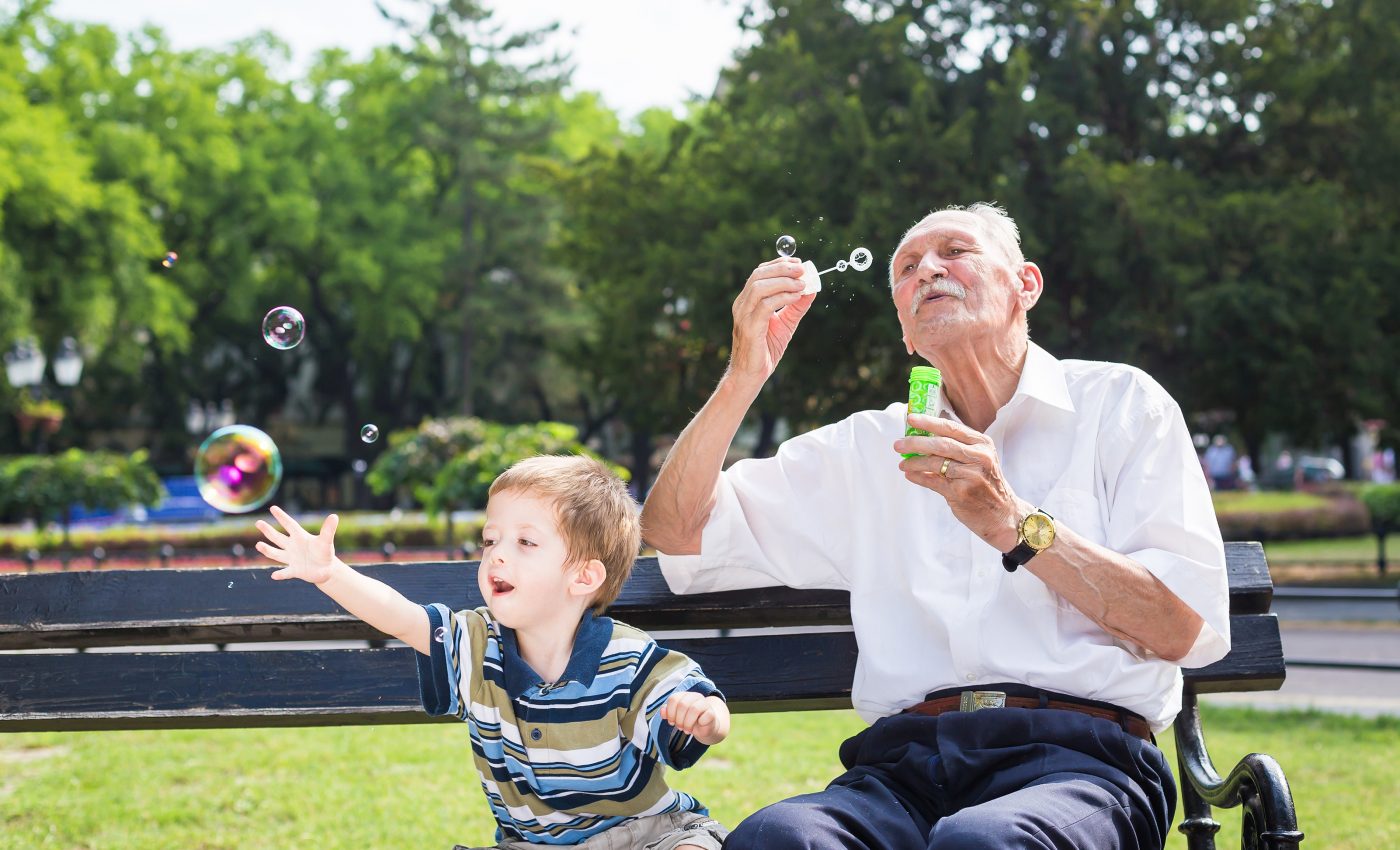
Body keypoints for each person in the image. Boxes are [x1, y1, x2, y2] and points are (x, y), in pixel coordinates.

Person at [641, 202, 1231, 849]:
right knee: (777, 838)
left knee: (980, 843)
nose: (928, 270)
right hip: (903, 768)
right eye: (906, 268)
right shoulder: (866, 449)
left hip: (1082, 761)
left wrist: (1013, 522)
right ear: (905, 332)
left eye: (955, 251)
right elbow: (674, 530)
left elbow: (1181, 627)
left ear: (1024, 286)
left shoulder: (1121, 406)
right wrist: (742, 373)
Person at [255, 455, 731, 850]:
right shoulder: (477, 644)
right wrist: (330, 573)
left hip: (641, 837)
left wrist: (706, 717)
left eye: (525, 542)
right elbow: (403, 617)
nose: (497, 555)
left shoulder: (625, 657)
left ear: (583, 578)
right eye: (490, 540)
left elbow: (696, 705)